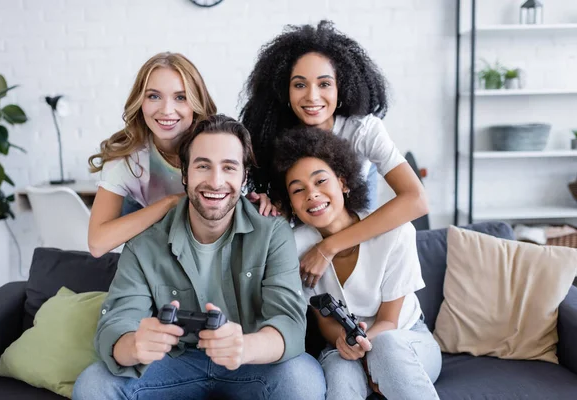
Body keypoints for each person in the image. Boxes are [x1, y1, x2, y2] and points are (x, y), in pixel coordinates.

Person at [73, 115, 326, 400]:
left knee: (302, 379)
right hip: (173, 363)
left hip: (250, 361)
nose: (216, 182)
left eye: (228, 168)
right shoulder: (145, 242)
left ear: (244, 176)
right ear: (185, 174)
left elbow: (290, 323)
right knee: (93, 384)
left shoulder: (272, 233)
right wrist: (134, 345)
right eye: (203, 166)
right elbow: (116, 323)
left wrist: (244, 346)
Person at [240, 20, 429, 289]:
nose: (312, 96)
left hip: (349, 220)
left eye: (324, 83)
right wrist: (271, 204)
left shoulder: (363, 131)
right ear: (285, 90)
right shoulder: (271, 135)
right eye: (299, 85)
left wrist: (328, 247)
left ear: (342, 87)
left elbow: (417, 200)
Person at [270, 126, 442, 400]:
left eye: (320, 181)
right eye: (298, 189)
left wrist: (366, 349)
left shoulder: (396, 232)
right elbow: (323, 320)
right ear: (290, 203)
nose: (311, 194)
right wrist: (345, 342)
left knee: (384, 346)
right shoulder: (294, 246)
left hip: (403, 338)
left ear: (344, 182)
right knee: (339, 370)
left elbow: (389, 321)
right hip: (343, 345)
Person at [86, 52, 217, 257]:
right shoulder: (128, 158)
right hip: (158, 257)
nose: (166, 110)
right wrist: (171, 202)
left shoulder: (219, 146)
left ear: (196, 102)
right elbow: (97, 243)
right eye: (154, 96)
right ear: (140, 101)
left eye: (180, 97)